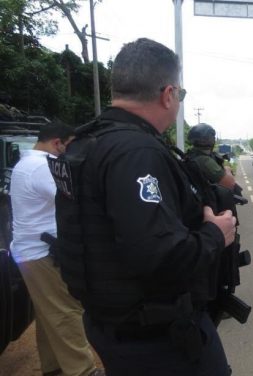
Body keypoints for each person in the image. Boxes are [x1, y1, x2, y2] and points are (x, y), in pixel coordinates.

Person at [52, 38, 236, 375]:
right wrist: (215, 234)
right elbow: (161, 257)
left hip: (111, 322)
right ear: (168, 95)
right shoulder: (136, 153)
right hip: (156, 336)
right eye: (179, 96)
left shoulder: (87, 142)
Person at [10, 123, 103, 376]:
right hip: (42, 252)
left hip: (31, 252)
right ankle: (82, 371)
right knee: (67, 311)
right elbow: (72, 201)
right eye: (68, 146)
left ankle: (55, 367)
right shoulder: (42, 166)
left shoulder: (25, 163)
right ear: (57, 143)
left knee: (48, 312)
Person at [186, 123, 236, 190]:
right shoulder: (205, 160)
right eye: (212, 136)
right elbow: (230, 183)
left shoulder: (191, 155)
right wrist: (227, 169)